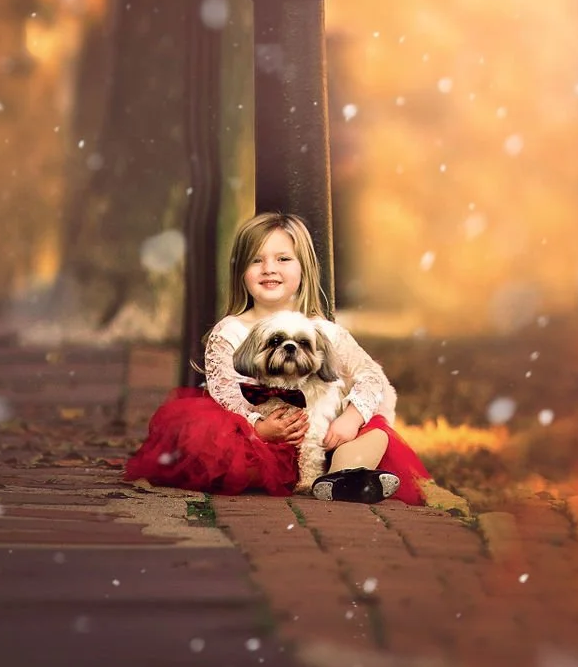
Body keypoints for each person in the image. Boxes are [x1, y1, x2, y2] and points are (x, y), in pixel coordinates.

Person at [123, 210, 431, 505]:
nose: (269, 268)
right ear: (241, 270)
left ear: (304, 268)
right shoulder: (230, 330)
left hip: (328, 440)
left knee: (377, 432)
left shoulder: (325, 331)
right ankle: (337, 479)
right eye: (256, 260)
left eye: (283, 259)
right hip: (260, 440)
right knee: (211, 447)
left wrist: (351, 418)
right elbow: (226, 392)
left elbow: (371, 375)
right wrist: (259, 427)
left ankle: (340, 478)